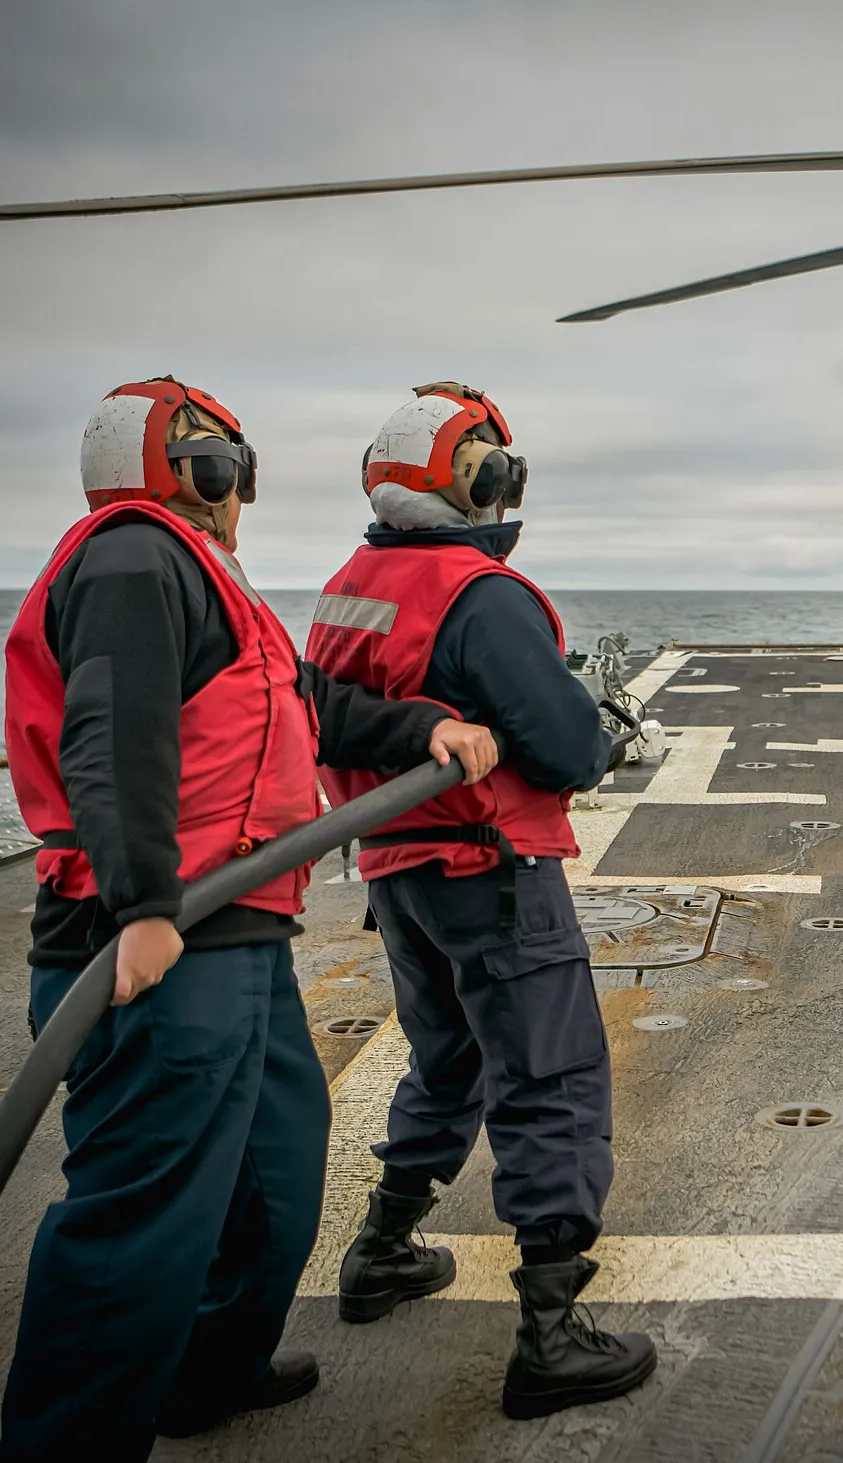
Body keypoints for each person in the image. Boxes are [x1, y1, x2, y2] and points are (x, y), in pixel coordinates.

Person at [0, 377, 494, 1461]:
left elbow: (307, 699)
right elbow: (111, 731)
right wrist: (142, 907)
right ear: (196, 470)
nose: (240, 490)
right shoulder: (134, 554)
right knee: (139, 1223)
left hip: (239, 934)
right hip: (162, 941)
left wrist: (424, 727)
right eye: (229, 465)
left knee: (276, 1165)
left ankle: (206, 1370)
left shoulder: (204, 579)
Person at [306, 382, 656, 1420]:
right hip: (490, 868)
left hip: (397, 874)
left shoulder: (349, 581)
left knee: (447, 1058)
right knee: (550, 1080)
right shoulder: (480, 593)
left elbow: (322, 708)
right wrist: (589, 728)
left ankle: (381, 1247)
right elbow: (564, 746)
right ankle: (551, 1334)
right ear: (481, 482)